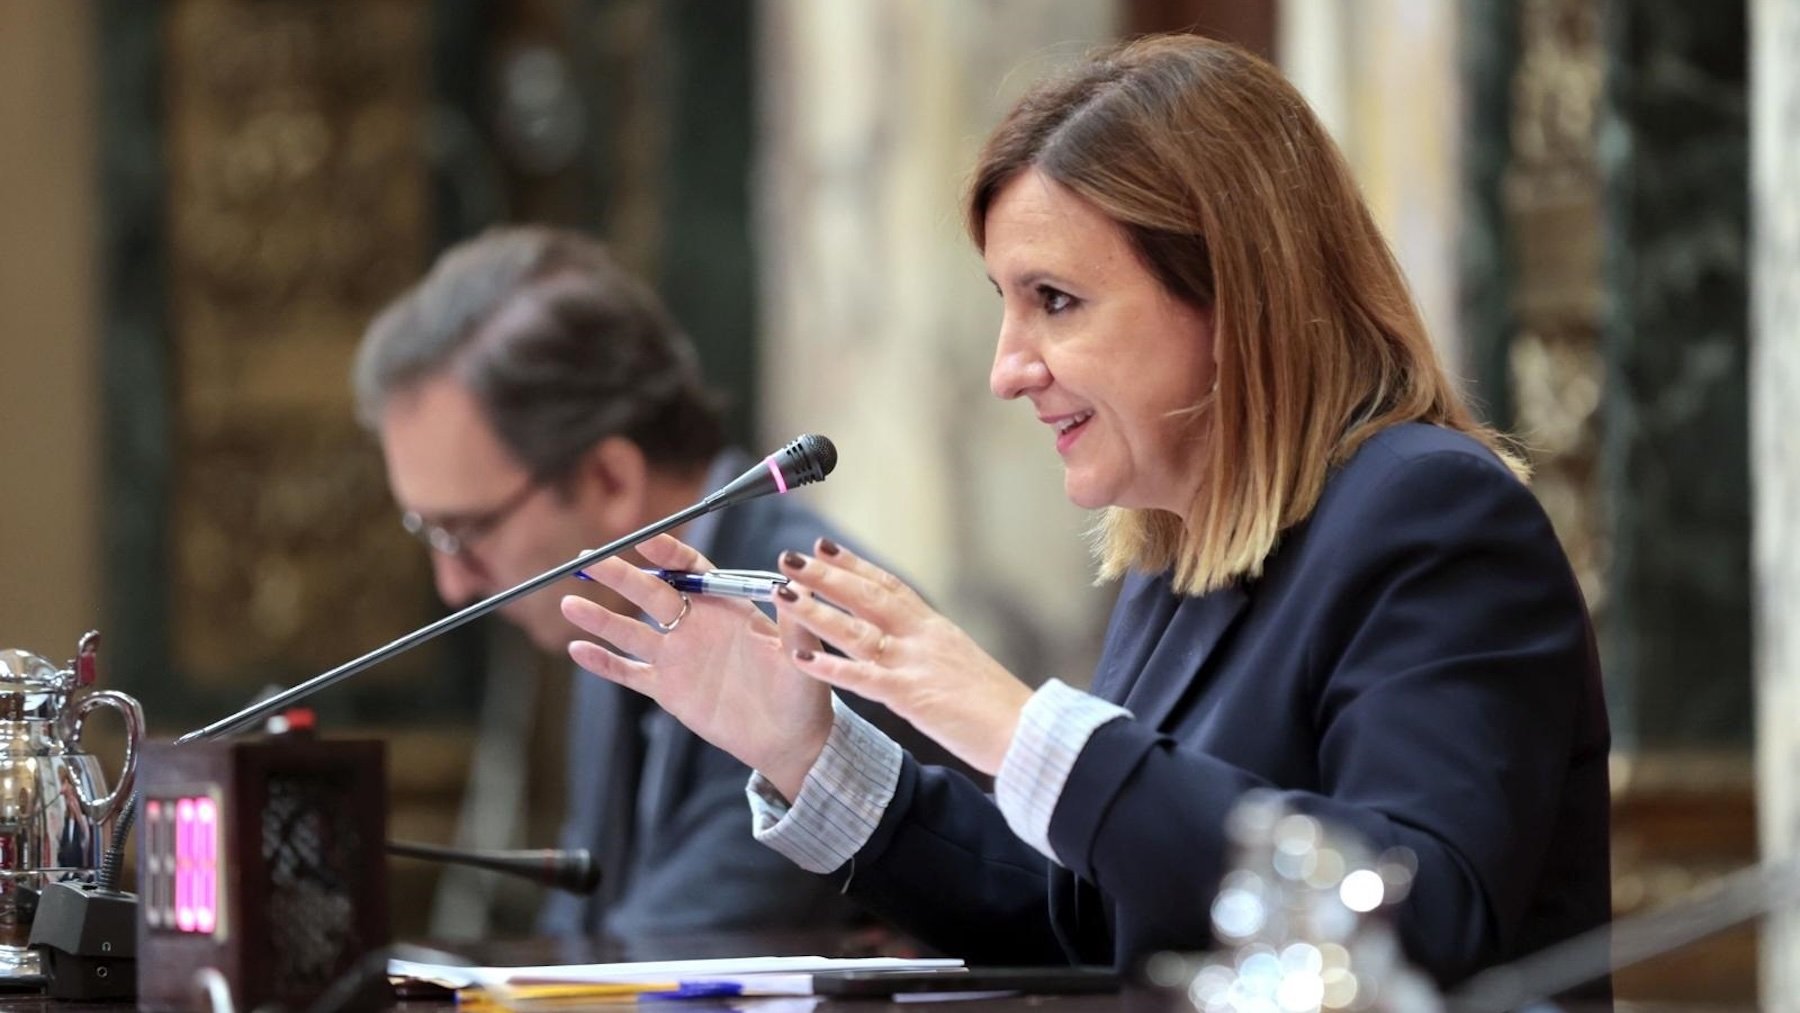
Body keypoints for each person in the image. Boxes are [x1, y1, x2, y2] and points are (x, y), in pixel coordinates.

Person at [557, 34, 1612, 990]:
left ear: (1236, 296)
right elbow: (1086, 931)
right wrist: (808, 751)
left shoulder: (1429, 512)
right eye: (1004, 304)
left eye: (1054, 301)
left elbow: (1417, 921)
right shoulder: (1176, 555)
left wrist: (1019, 726)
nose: (1007, 370)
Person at [352, 226, 940, 938]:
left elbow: (674, 964)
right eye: (430, 534)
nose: (452, 583)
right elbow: (583, 927)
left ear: (609, 480)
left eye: (467, 531)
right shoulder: (623, 599)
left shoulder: (814, 626)